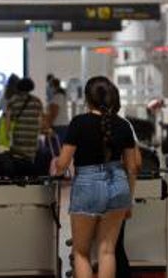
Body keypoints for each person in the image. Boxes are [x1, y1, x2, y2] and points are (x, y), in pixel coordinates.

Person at [51, 76, 139, 278]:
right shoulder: (123, 125)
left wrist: (57, 166)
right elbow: (132, 167)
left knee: (81, 252)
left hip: (87, 185)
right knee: (107, 251)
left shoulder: (79, 123)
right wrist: (129, 201)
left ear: (87, 99)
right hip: (118, 184)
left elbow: (63, 163)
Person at [0, 77, 45, 176]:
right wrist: (38, 131)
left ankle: (20, 180)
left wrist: (7, 133)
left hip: (19, 136)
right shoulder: (37, 101)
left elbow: (8, 120)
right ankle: (30, 181)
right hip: (32, 136)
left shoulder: (14, 101)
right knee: (30, 158)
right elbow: (40, 120)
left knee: (19, 158)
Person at [46, 76, 71, 143]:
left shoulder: (57, 97)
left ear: (53, 86)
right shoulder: (60, 96)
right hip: (62, 126)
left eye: (49, 86)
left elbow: (54, 113)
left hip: (59, 126)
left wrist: (48, 125)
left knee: (57, 148)